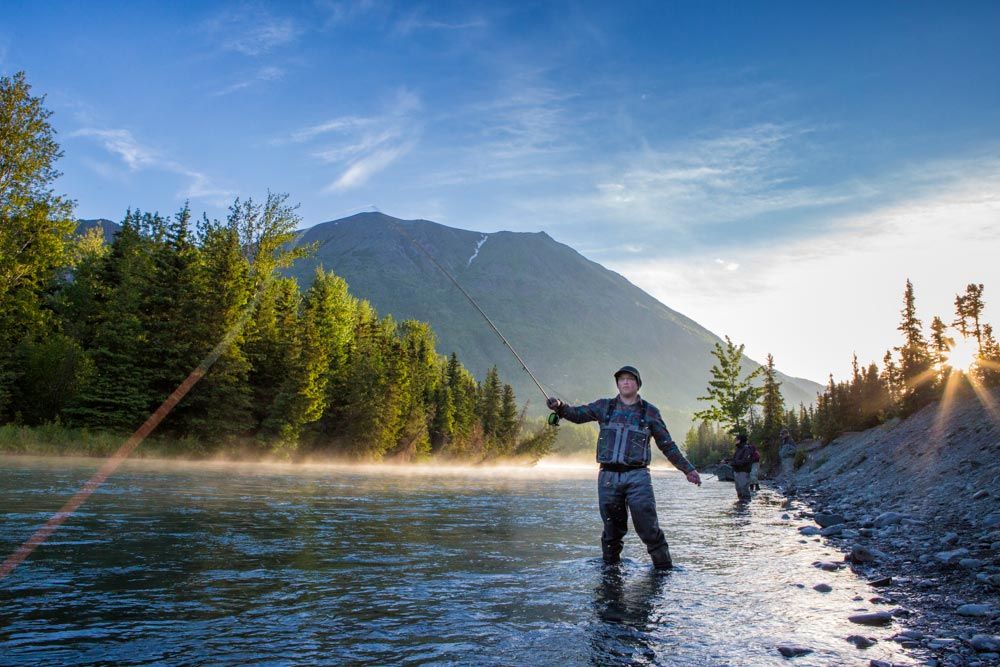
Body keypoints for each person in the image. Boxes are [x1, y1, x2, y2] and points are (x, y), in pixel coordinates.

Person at [547, 365, 701, 570]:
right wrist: (559, 406)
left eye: (630, 379)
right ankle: (610, 571)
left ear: (637, 384)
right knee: (612, 530)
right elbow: (577, 414)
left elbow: (667, 445)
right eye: (622, 379)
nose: (626, 382)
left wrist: (688, 469)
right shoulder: (604, 406)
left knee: (648, 528)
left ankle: (664, 570)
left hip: (638, 477)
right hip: (608, 477)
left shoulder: (651, 412)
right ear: (617, 383)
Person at [730, 433, 753, 501]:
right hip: (737, 471)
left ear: (741, 440)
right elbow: (735, 459)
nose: (735, 441)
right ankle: (740, 507)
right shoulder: (738, 449)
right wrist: (728, 461)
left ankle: (746, 507)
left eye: (737, 439)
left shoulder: (747, 449)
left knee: (744, 488)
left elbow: (745, 461)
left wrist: (734, 463)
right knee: (738, 489)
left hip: (743, 471)